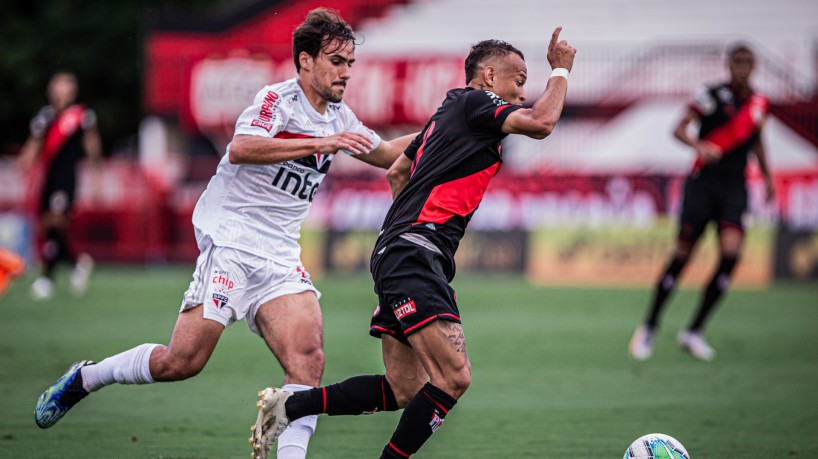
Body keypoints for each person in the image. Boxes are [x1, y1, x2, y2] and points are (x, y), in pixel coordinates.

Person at [34, 9, 416, 459]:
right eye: (336, 60)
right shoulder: (277, 100)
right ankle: (87, 377)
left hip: (278, 255)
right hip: (232, 242)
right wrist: (318, 143)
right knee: (182, 362)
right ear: (305, 60)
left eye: (350, 62)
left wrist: (450, 129)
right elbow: (242, 148)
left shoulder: (340, 117)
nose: (345, 72)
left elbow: (389, 152)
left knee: (307, 360)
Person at [249, 29, 576, 459]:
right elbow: (542, 123)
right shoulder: (476, 102)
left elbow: (397, 173)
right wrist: (560, 70)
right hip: (414, 255)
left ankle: (292, 404)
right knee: (454, 377)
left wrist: (400, 237)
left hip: (400, 253)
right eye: (518, 81)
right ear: (490, 76)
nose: (521, 94)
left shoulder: (446, 117)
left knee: (405, 389)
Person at [628, 44, 775, 362]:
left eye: (747, 63)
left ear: (754, 67)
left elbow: (758, 141)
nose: (742, 68)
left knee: (731, 255)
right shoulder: (711, 95)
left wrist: (768, 177)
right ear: (728, 64)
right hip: (702, 186)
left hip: (735, 188)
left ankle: (694, 330)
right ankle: (650, 325)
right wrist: (699, 145)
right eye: (737, 62)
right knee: (682, 256)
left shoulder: (760, 103)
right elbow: (678, 129)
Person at [19, 72, 101, 300]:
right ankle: (76, 263)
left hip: (66, 180)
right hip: (49, 178)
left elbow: (91, 143)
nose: (60, 92)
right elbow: (33, 145)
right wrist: (24, 162)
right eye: (57, 87)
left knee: (56, 220)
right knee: (48, 225)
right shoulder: (44, 117)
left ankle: (46, 278)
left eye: (65, 87)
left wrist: (96, 172)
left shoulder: (81, 116)